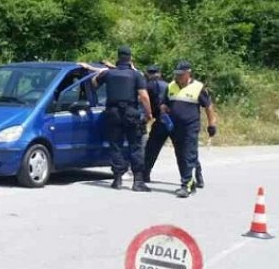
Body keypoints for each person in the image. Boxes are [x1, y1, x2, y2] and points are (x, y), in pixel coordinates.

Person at [91, 46, 153, 192]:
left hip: (113, 113)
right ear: (130, 58)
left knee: (116, 145)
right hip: (131, 113)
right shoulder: (136, 75)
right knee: (135, 145)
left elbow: (93, 83)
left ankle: (117, 179)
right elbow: (143, 96)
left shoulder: (108, 73)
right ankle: (138, 181)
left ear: (118, 57)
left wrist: (100, 72)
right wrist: (149, 113)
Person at [165, 61, 217, 198]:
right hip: (175, 127)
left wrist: (212, 124)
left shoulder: (198, 87)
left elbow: (208, 107)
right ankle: (194, 179)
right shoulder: (171, 86)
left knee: (188, 154)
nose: (178, 77)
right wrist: (163, 108)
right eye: (176, 74)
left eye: (181, 74)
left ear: (188, 73)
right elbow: (164, 103)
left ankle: (186, 185)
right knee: (181, 155)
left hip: (191, 127)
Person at [142, 65, 169, 183]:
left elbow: (145, 102)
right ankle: (198, 177)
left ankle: (145, 175)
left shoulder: (148, 86)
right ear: (160, 73)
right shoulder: (169, 85)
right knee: (185, 150)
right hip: (175, 121)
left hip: (161, 121)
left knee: (151, 149)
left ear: (148, 74)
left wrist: (146, 117)